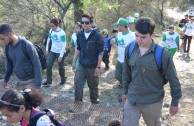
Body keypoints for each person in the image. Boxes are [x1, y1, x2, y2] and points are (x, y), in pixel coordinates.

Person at [122, 17, 182, 126]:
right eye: (136, 35)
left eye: (143, 37)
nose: (138, 40)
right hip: (132, 98)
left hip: (152, 101)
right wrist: (125, 91)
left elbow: (173, 80)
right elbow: (126, 73)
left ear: (152, 35)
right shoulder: (129, 49)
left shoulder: (162, 54)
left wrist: (175, 102)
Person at [72, 14, 104, 104]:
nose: (84, 24)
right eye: (82, 22)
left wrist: (98, 67)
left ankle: (94, 100)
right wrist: (74, 62)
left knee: (93, 85)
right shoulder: (80, 34)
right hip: (82, 64)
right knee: (77, 82)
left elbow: (101, 52)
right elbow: (78, 49)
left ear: (91, 23)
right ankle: (78, 102)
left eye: (86, 22)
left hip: (92, 65)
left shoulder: (97, 36)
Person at [0, 24, 42, 90]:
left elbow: (37, 65)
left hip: (31, 81)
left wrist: (37, 86)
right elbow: (10, 64)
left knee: (27, 99)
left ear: (10, 34)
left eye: (3, 39)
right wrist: (6, 79)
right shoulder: (7, 47)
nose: (2, 42)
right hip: (20, 82)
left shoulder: (27, 45)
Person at [43, 18, 66, 86]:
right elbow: (49, 40)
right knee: (48, 65)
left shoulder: (62, 33)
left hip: (60, 52)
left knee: (61, 67)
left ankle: (63, 79)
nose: (51, 27)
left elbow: (63, 45)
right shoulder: (51, 31)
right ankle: (49, 81)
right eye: (51, 26)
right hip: (53, 51)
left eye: (53, 26)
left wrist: (61, 56)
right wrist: (47, 49)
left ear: (57, 25)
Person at [113, 18, 135, 87]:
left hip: (128, 61)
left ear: (122, 26)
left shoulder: (132, 36)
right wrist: (113, 41)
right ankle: (125, 85)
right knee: (117, 75)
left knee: (128, 76)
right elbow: (115, 42)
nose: (117, 27)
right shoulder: (119, 35)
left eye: (118, 25)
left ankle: (128, 87)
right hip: (119, 59)